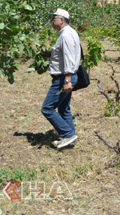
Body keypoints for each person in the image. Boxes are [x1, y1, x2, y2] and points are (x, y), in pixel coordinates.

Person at [42, 8, 81, 149]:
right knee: (64, 108)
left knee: (47, 108)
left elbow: (70, 59)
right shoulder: (69, 33)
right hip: (65, 77)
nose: (52, 20)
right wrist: (50, 54)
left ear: (62, 20)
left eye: (54, 18)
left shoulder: (66, 36)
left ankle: (68, 134)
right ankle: (71, 137)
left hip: (63, 78)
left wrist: (67, 80)